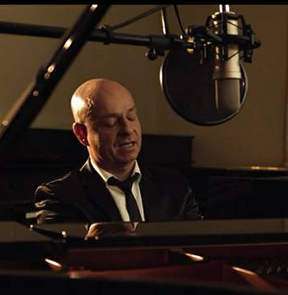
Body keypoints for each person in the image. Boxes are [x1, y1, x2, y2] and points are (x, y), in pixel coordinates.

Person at [34, 78, 202, 224]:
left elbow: (198, 244)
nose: (127, 130)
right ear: (82, 134)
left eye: (131, 117)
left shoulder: (175, 186)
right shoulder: (59, 196)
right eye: (111, 123)